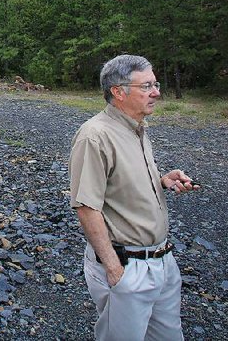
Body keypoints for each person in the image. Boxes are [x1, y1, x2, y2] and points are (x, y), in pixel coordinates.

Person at [68, 54, 198, 341]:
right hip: (128, 267)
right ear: (118, 92)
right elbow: (86, 206)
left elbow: (120, 184)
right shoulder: (95, 136)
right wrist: (115, 270)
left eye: (156, 83)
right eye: (146, 86)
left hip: (163, 261)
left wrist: (162, 181)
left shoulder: (137, 127)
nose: (156, 92)